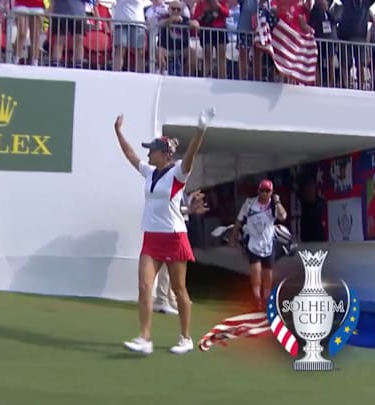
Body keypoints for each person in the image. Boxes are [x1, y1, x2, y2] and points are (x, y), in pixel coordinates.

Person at [115, 108, 214, 355]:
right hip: (151, 236)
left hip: (174, 236)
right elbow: (131, 155)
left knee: (179, 289)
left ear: (164, 154)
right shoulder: (149, 173)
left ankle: (186, 337)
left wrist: (200, 129)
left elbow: (191, 154)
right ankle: (145, 338)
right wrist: (118, 133)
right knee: (144, 286)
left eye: (152, 149)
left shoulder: (178, 172)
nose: (148, 153)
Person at [229, 179, 287, 311]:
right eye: (262, 190)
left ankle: (266, 298)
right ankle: (256, 299)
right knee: (256, 273)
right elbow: (239, 220)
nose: (265, 193)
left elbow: (283, 216)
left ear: (271, 192)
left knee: (268, 275)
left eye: (268, 191)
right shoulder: (250, 203)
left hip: (268, 244)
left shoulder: (273, 205)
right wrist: (233, 236)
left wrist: (277, 201)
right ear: (258, 191)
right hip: (253, 243)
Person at [154, 190, 209, 316]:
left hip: (178, 229)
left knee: (173, 266)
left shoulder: (180, 190)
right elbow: (174, 209)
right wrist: (191, 208)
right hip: (169, 229)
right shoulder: (170, 188)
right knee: (166, 266)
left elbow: (182, 206)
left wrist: (191, 201)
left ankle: (171, 298)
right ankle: (161, 300)